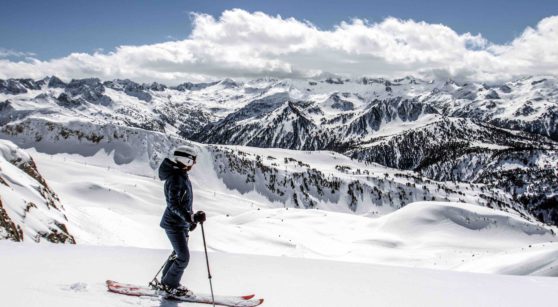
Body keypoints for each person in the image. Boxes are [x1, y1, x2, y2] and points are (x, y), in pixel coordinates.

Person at [155, 143, 206, 297]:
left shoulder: (181, 175)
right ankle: (170, 285)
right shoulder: (177, 178)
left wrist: (190, 220)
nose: (195, 163)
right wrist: (190, 217)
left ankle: (166, 282)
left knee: (178, 254)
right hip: (173, 224)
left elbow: (183, 202)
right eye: (193, 160)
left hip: (179, 223)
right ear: (186, 160)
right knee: (183, 257)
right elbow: (173, 205)